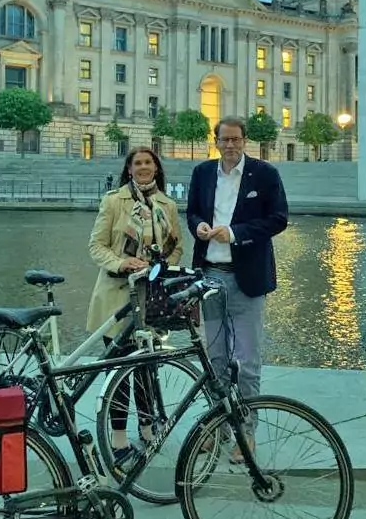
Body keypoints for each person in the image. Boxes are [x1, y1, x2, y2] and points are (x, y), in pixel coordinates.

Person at [186, 116, 288, 462]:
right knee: (215, 362)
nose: (230, 145)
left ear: (245, 141)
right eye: (224, 139)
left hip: (247, 280)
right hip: (210, 277)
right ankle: (219, 428)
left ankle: (246, 433)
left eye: (236, 139)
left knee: (246, 362)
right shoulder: (203, 172)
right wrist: (199, 226)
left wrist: (234, 233)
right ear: (215, 141)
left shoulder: (265, 174)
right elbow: (192, 212)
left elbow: (279, 219)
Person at [86, 146, 183, 463]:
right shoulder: (114, 201)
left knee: (147, 367)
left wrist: (160, 267)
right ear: (129, 169)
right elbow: (96, 246)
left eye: (148, 162)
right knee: (118, 370)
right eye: (137, 163)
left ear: (156, 168)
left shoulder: (167, 205)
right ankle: (118, 437)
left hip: (151, 296)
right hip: (116, 295)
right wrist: (122, 262)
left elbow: (176, 247)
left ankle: (146, 425)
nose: (143, 167)